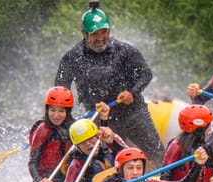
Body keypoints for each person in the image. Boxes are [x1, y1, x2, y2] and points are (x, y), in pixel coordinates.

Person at [54, 3, 165, 166]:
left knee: (159, 155)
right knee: (111, 164)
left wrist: (132, 92)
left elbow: (145, 74)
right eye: (94, 34)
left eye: (104, 32)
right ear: (85, 34)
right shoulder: (72, 58)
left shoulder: (124, 50)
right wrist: (65, 120)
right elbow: (60, 91)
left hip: (134, 115)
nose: (100, 38)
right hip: (101, 121)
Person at [28, 86, 76, 182]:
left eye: (61, 111)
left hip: (67, 178)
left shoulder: (74, 127)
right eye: (52, 110)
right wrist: (39, 180)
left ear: (67, 112)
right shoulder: (43, 130)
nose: (56, 115)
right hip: (48, 181)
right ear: (47, 110)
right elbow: (32, 162)